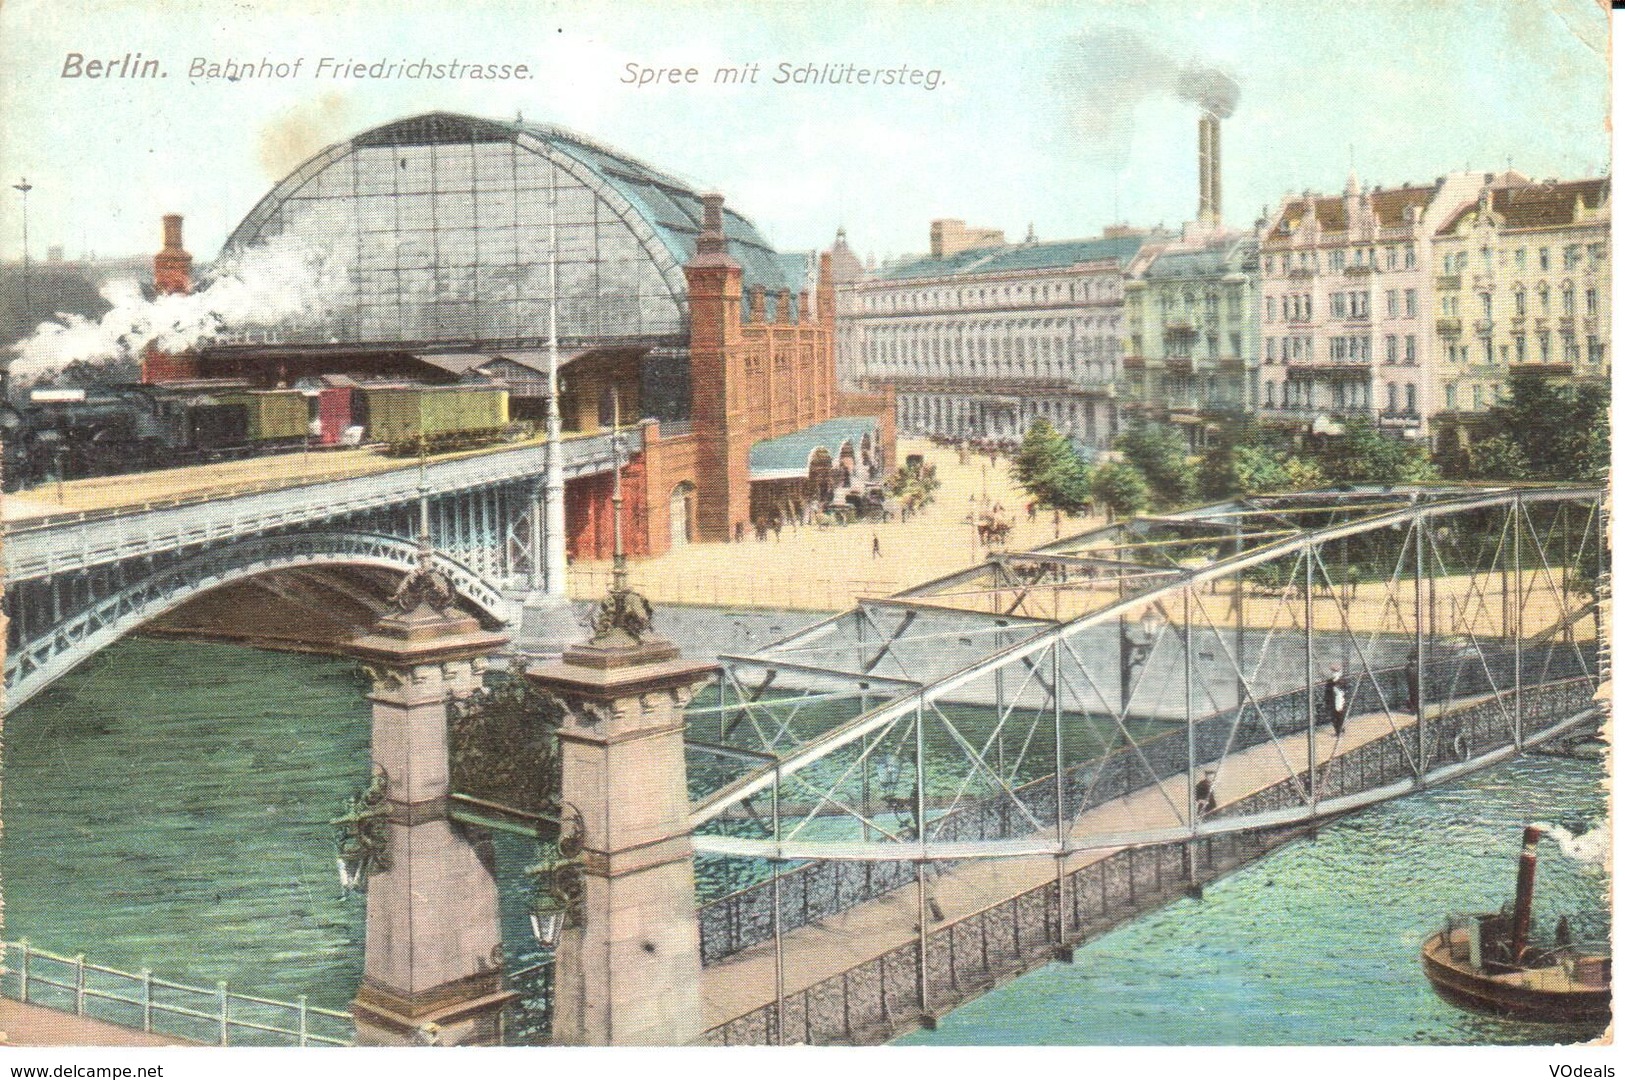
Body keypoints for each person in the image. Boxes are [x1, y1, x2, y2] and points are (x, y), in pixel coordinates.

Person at [1324, 665, 1350, 736]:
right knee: (1334, 717)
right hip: (1333, 700)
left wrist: (1337, 683)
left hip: (1340, 700)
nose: (1334, 673)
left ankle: (1341, 730)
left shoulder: (1342, 680)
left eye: (1336, 671)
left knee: (1340, 715)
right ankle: (1338, 731)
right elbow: (1327, 692)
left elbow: (1346, 688)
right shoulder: (1329, 681)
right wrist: (1327, 701)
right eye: (1333, 671)